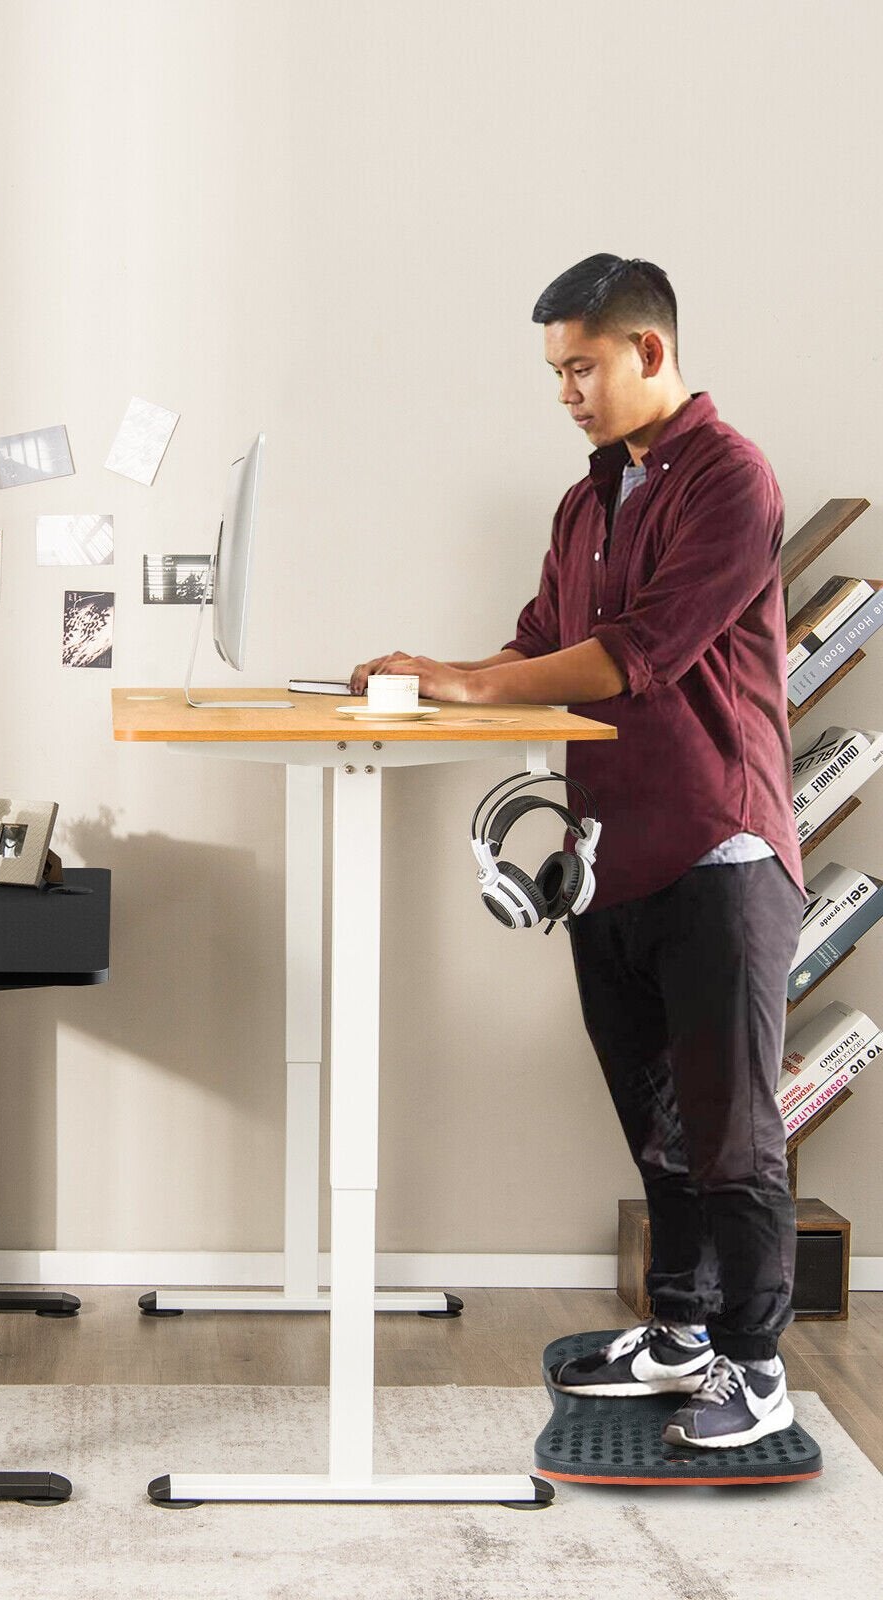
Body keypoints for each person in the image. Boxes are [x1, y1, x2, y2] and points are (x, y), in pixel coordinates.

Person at [349, 255, 803, 1450]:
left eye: (581, 368)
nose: (567, 393)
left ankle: (754, 1366)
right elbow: (540, 644)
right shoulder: (586, 500)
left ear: (649, 351)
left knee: (731, 1130)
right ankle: (684, 1331)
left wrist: (465, 681)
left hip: (721, 849)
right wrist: (428, 687)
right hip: (614, 856)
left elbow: (632, 655)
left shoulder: (729, 480)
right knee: (654, 1121)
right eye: (555, 374)